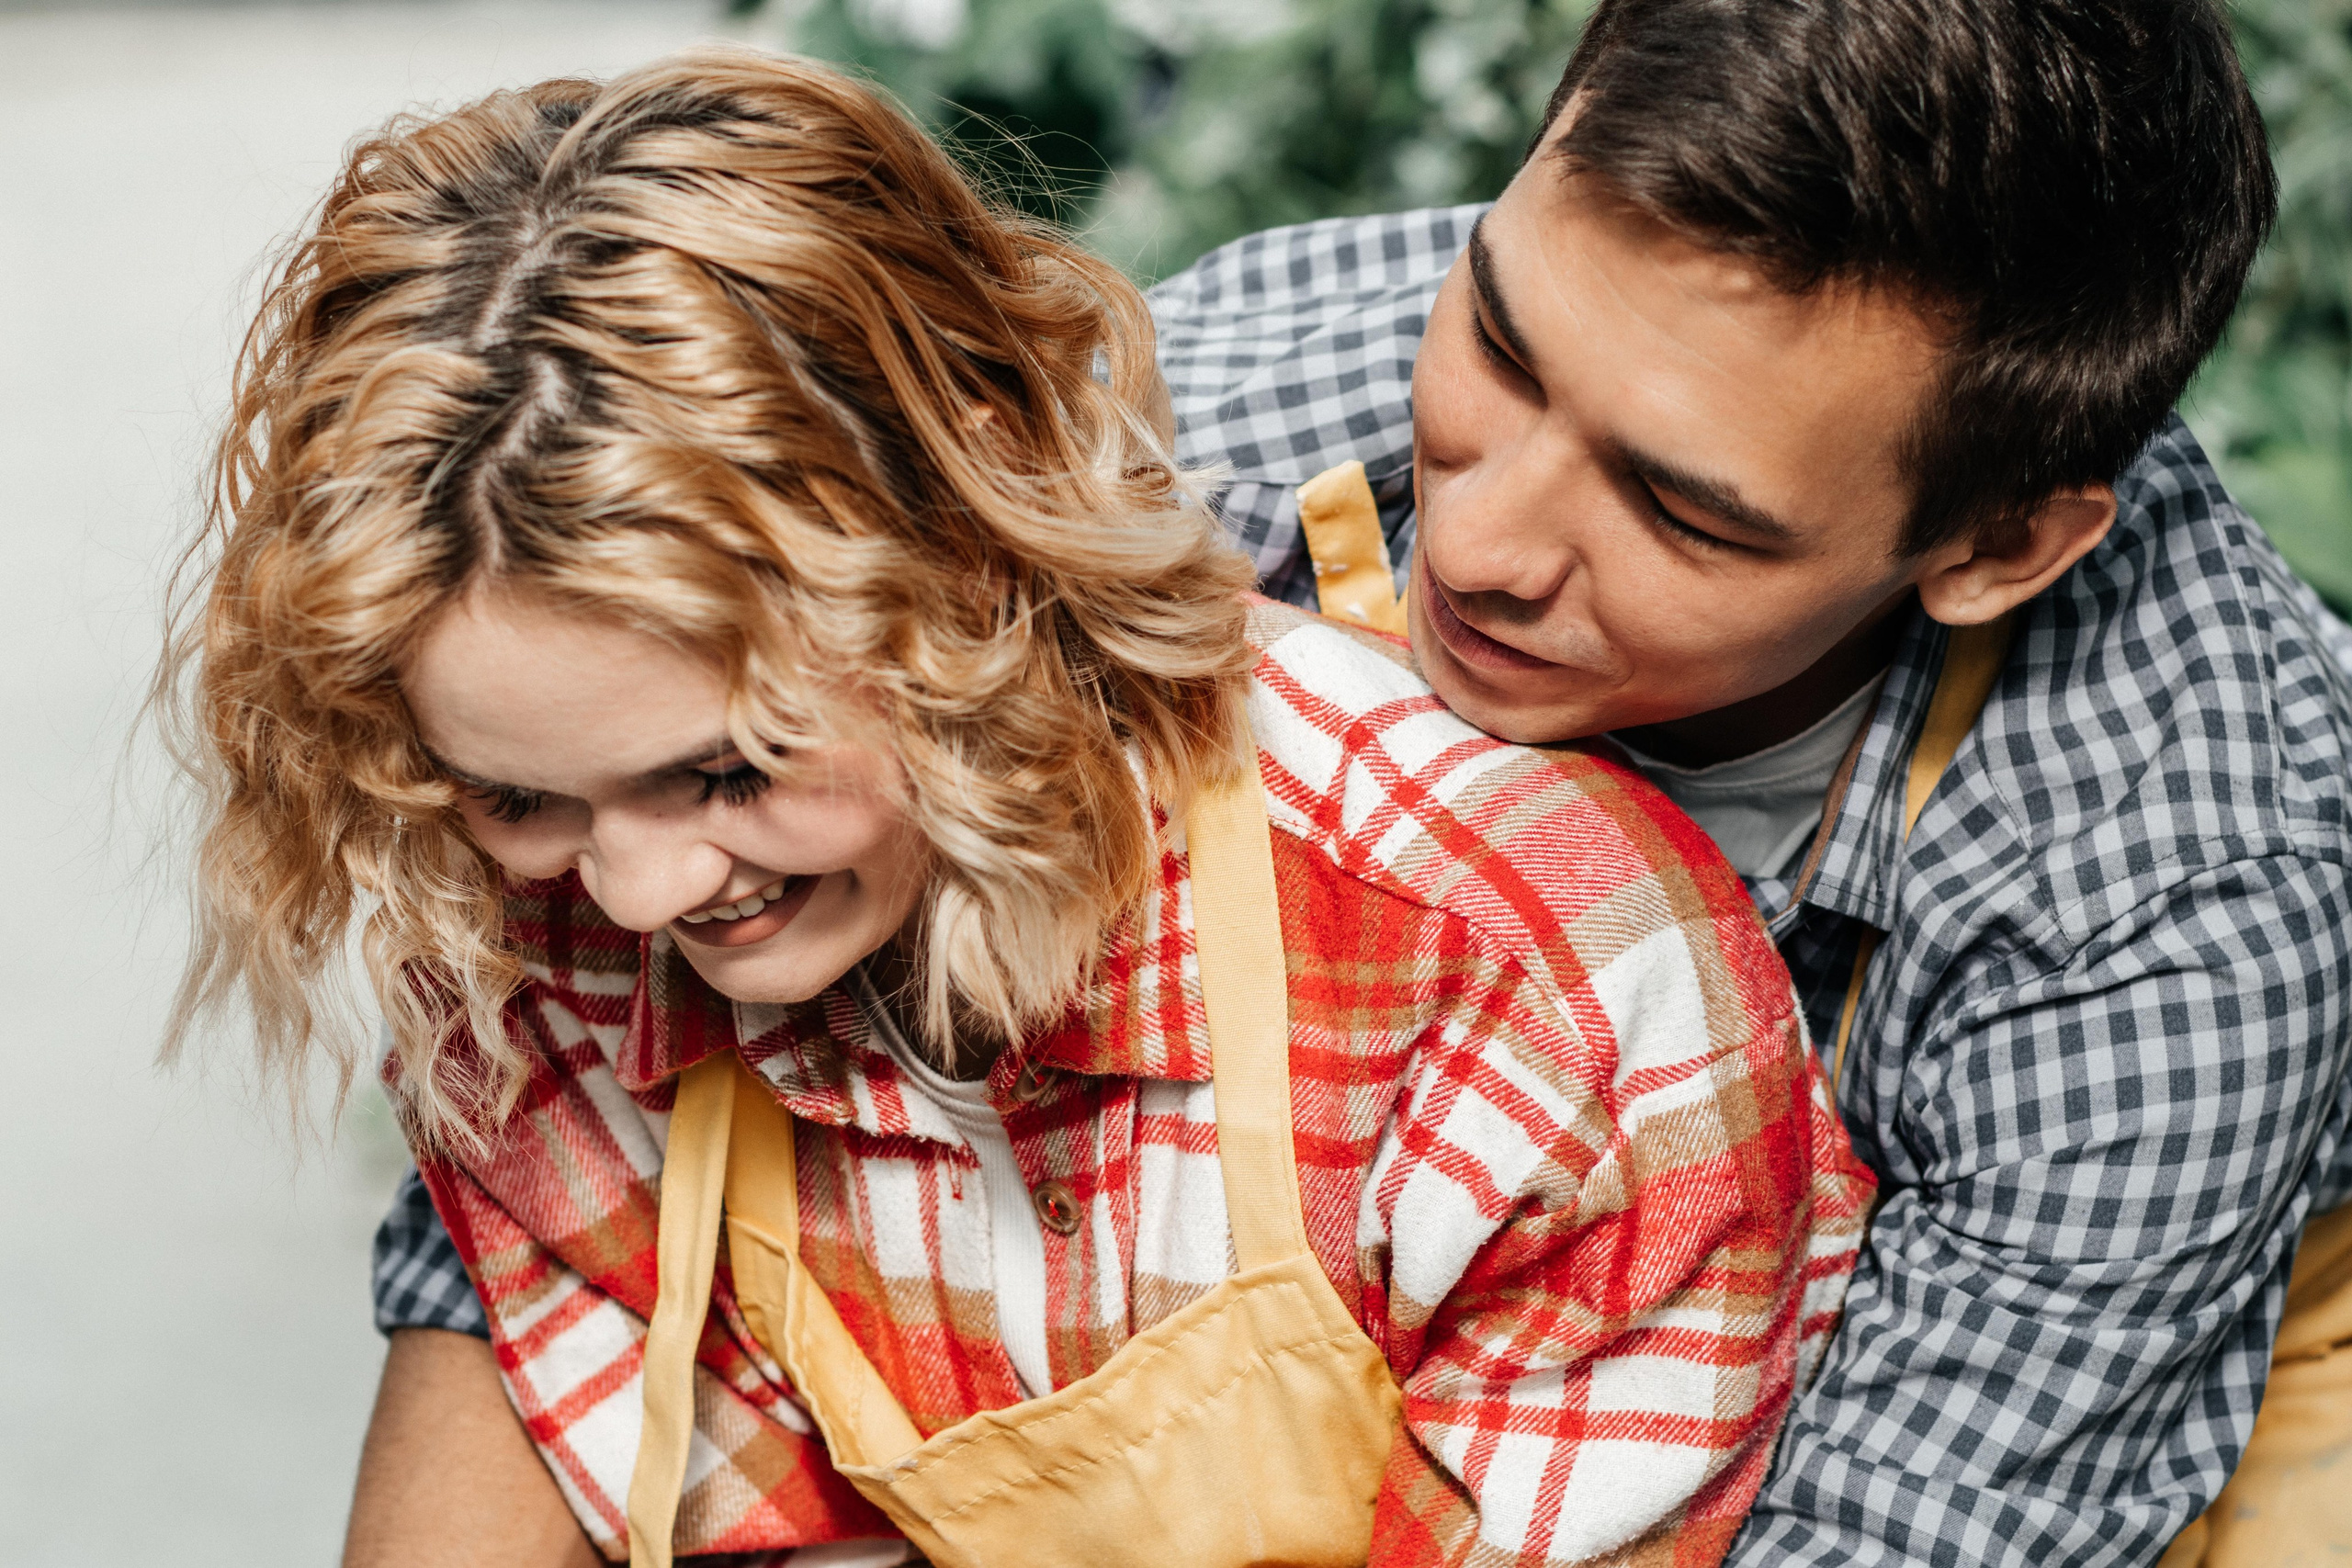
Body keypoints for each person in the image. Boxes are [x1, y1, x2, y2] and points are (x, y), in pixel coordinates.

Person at [373, 1, 2352, 1565]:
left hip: (2139, 1360)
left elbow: (1900, 1528)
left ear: (1996, 545)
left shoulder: (2175, 906)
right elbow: (574, 1101)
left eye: (1680, 512)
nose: (1478, 545)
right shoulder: (1215, 409)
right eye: (1501, 343)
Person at [167, 50, 1869, 1568]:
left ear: (966, 548)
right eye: (519, 795)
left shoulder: (1544, 989)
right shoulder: (542, 957)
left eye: (727, 769)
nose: (632, 895)